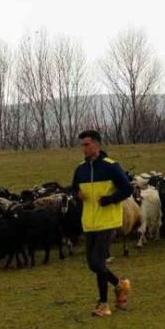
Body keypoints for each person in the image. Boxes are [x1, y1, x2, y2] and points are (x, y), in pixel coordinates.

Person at [71, 130, 133, 317]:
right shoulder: (80, 169)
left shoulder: (111, 166)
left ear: (97, 145)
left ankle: (103, 305)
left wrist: (109, 200)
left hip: (108, 221)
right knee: (92, 264)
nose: (84, 148)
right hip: (89, 222)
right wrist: (76, 195)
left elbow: (127, 189)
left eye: (87, 144)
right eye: (82, 145)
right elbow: (73, 188)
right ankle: (120, 285)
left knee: (98, 263)